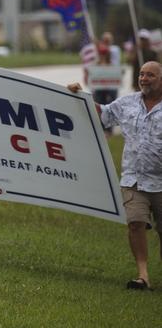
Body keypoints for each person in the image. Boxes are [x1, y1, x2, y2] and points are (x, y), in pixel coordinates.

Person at [68, 61, 162, 290]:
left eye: (150, 75)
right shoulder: (129, 102)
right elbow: (104, 115)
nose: (144, 78)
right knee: (135, 224)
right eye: (141, 74)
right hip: (133, 179)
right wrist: (80, 95)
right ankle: (143, 275)